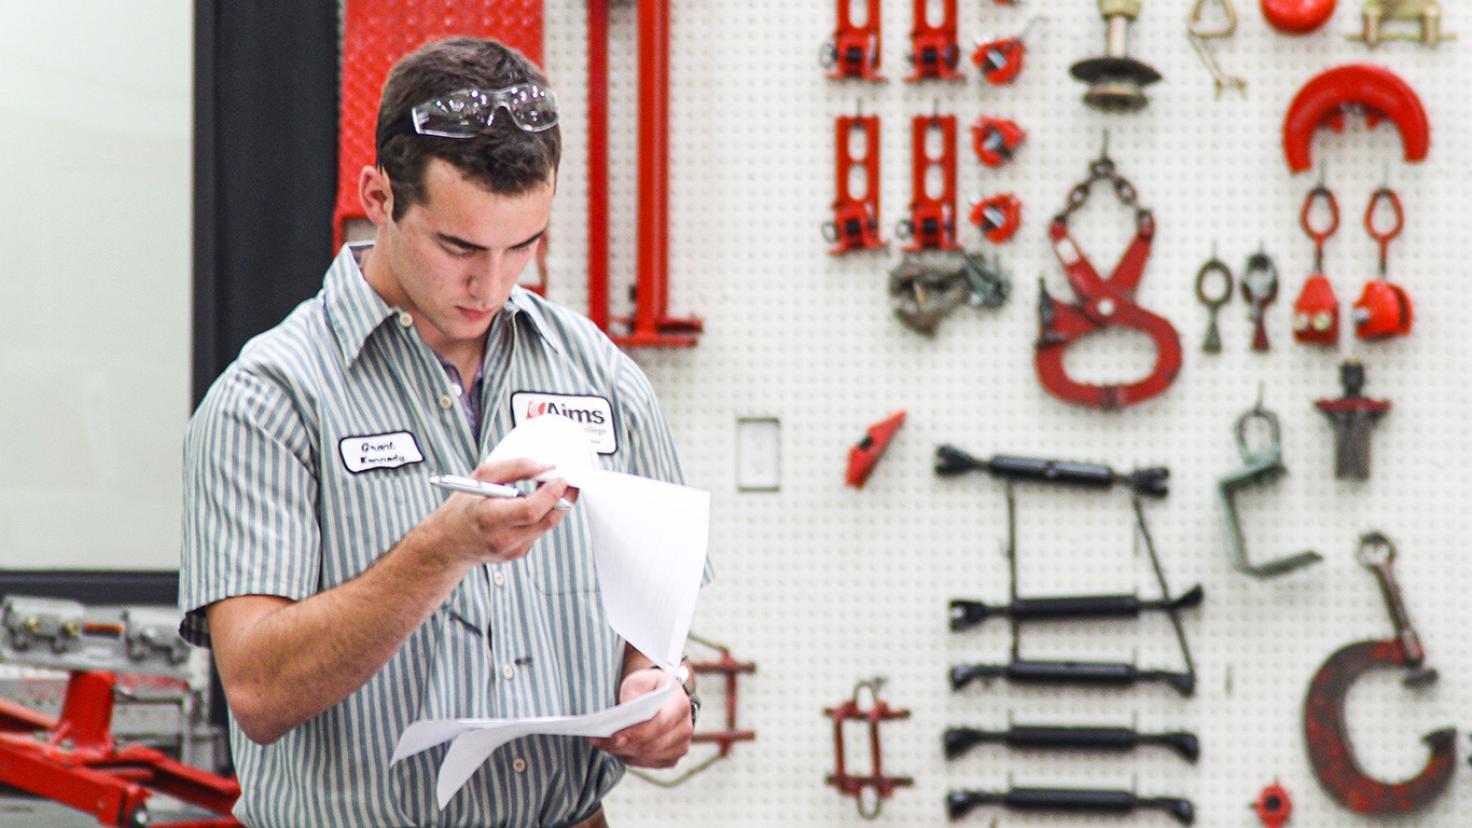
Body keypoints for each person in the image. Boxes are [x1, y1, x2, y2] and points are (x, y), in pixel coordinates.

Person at [181, 37, 700, 828]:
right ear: (379, 196)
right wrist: (444, 548)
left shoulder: (598, 372)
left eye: (521, 246)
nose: (490, 285)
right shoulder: (271, 400)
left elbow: (655, 619)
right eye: (458, 247)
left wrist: (659, 692)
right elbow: (257, 691)